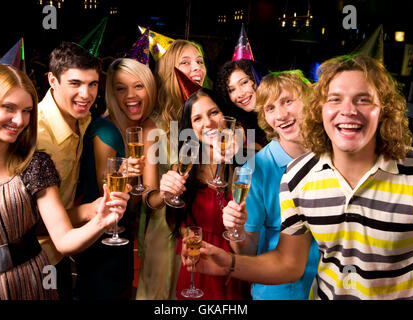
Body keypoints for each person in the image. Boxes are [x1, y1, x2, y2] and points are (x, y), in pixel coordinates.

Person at [183, 54, 413, 300]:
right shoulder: (292, 175)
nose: (349, 110)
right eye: (270, 108)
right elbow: (286, 262)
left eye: (288, 101)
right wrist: (232, 254)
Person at [0, 64, 128, 300]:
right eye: (9, 108)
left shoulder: (34, 164)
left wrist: (100, 220)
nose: (19, 120)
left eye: (27, 111)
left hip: (28, 282)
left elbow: (64, 240)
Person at [222, 71, 319, 300]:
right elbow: (249, 250)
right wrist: (236, 230)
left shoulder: (332, 155)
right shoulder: (254, 169)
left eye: (287, 101)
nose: (281, 115)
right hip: (281, 292)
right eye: (270, 108)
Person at [75, 58, 157, 300]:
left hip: (121, 236)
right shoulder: (106, 130)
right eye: (121, 88)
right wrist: (124, 175)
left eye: (138, 86)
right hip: (99, 239)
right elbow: (105, 192)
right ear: (112, 93)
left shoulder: (138, 128)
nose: (130, 95)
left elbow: (131, 201)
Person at [161, 88, 249, 300]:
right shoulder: (183, 167)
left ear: (226, 116)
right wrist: (188, 236)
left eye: (213, 113)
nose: (208, 123)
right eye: (197, 118)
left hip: (236, 263)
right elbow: (174, 222)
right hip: (197, 263)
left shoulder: (246, 164)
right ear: (190, 129)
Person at [136, 39, 207, 300]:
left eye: (199, 62)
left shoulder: (208, 116)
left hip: (200, 229)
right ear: (169, 72)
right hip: (165, 232)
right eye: (186, 63)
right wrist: (165, 192)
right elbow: (149, 198)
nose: (196, 68)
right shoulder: (152, 126)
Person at [36, 41, 103, 300]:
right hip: (36, 259)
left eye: (93, 84)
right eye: (75, 83)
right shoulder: (35, 136)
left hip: (63, 254)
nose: (86, 94)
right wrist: (89, 211)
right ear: (53, 80)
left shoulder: (83, 119)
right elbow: (24, 223)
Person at [215, 59, 267, 151]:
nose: (240, 94)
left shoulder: (279, 111)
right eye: (232, 90)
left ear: (256, 79)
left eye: (244, 82)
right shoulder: (238, 122)